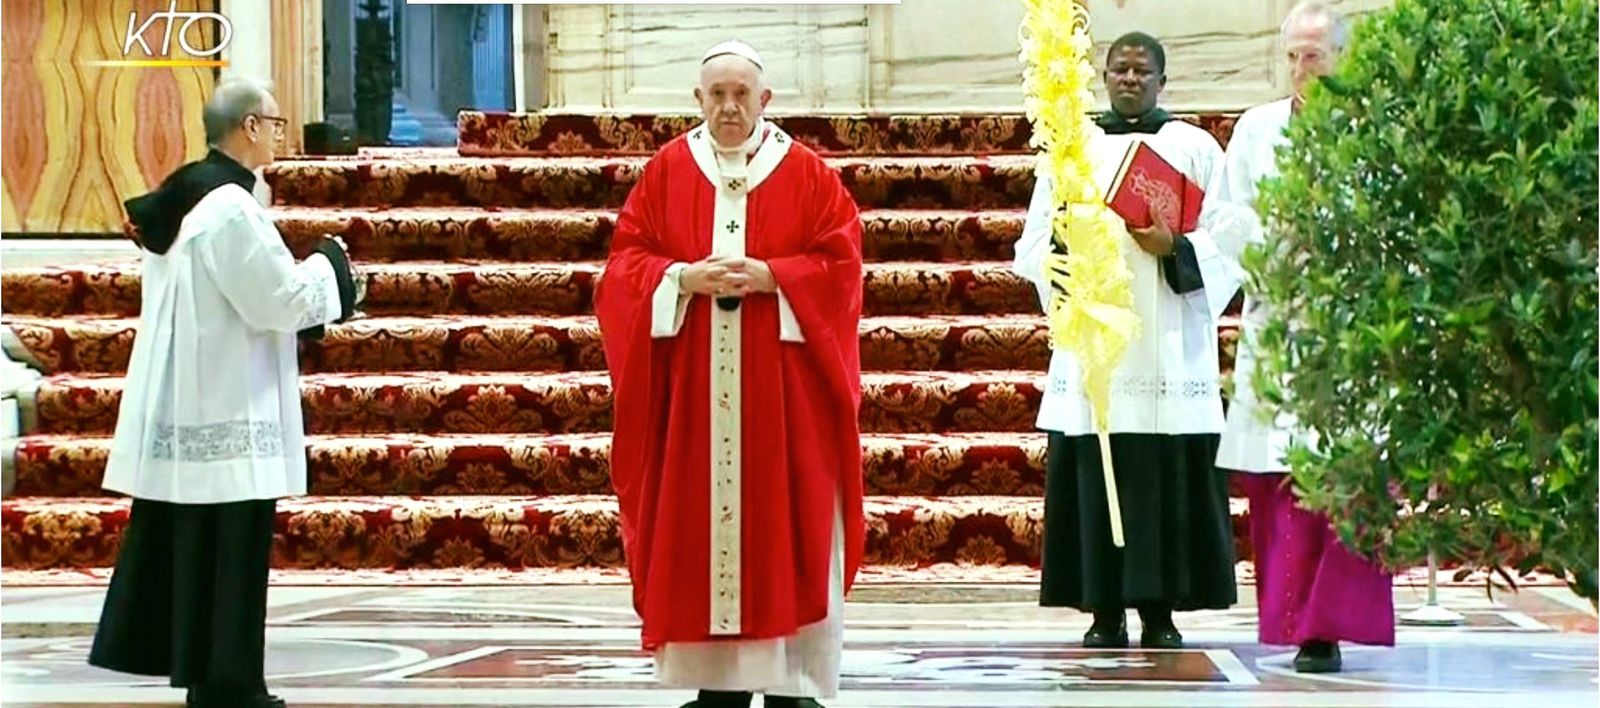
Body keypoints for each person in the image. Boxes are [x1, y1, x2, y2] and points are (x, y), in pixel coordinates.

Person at [594, 40, 865, 708]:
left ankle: (792, 679)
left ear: (765, 101)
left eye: (742, 93)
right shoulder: (666, 172)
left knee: (791, 527)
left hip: (786, 405)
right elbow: (623, 268)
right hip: (695, 404)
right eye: (717, 94)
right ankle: (715, 682)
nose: (729, 106)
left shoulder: (806, 175)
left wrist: (776, 277)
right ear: (698, 100)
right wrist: (682, 277)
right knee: (701, 527)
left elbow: (842, 267)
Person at [88, 78, 361, 708]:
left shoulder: (186, 198)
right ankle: (231, 686)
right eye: (274, 121)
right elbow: (277, 299)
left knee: (198, 554)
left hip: (197, 403)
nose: (281, 133)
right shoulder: (230, 210)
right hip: (230, 408)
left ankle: (212, 682)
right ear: (248, 128)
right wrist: (333, 265)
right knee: (232, 558)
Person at [1014, 32, 1258, 650]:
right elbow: (1034, 241)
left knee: (1162, 477)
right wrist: (1067, 259)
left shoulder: (1194, 147)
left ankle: (1160, 611)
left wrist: (1174, 248)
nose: (1129, 78)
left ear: (1162, 81)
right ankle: (1102, 609)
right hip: (1096, 346)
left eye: (1141, 70)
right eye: (1118, 68)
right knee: (1098, 474)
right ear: (1102, 76)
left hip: (1169, 347)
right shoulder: (1073, 148)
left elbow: (1231, 242)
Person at [1216, 1, 1395, 674]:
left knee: (1344, 471)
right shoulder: (1256, 130)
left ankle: (1338, 623)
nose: (1300, 68)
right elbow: (1225, 213)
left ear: (1342, 57)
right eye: (1291, 56)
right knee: (1285, 477)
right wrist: (1274, 238)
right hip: (1280, 316)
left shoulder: (1376, 126)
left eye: (1313, 55)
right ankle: (1300, 624)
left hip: (1349, 325)